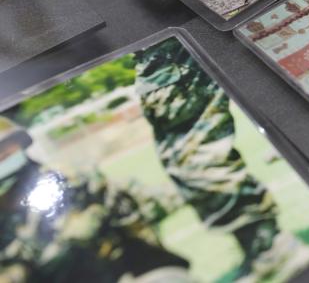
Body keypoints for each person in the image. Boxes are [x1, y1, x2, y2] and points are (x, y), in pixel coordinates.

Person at [134, 38, 309, 279]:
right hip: (163, 53)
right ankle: (261, 248)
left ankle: (271, 247)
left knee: (192, 156)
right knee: (187, 157)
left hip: (167, 54)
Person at [0, 116, 194, 282]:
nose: (4, 155)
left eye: (6, 146)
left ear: (21, 144)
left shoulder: (72, 181)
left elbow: (138, 235)